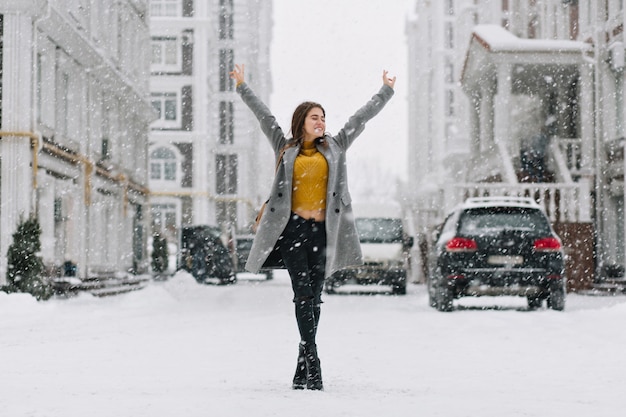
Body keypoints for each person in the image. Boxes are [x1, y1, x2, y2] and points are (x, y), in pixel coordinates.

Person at [230, 64, 395, 390]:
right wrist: (242, 86)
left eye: (323, 116)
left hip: (324, 233)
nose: (322, 121)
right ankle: (313, 359)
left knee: (314, 296)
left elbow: (360, 118)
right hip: (292, 231)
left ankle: (302, 361)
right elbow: (265, 117)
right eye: (315, 117)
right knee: (302, 294)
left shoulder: (335, 146)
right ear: (302, 122)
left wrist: (385, 91)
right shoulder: (285, 147)